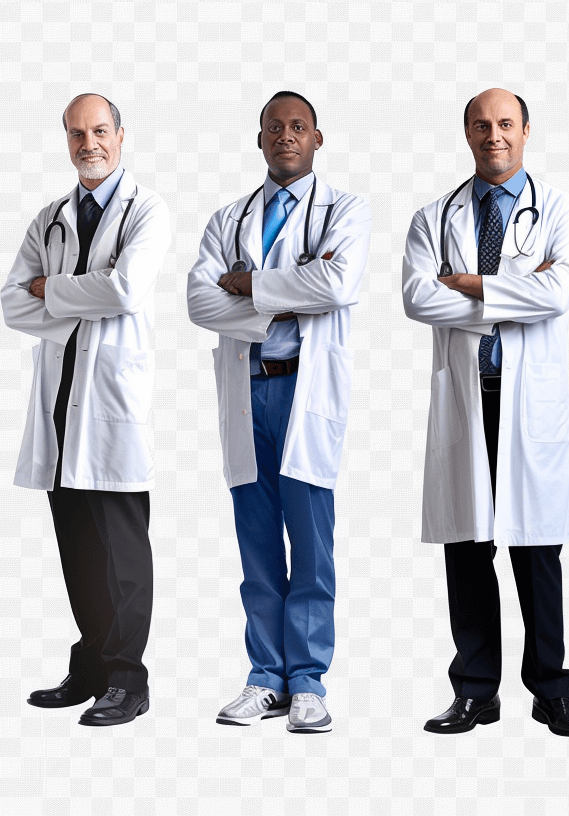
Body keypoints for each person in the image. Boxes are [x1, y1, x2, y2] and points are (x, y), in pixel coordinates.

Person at [401, 88, 569, 737]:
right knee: (467, 546)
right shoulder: (434, 217)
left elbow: (558, 293)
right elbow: (417, 300)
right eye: (482, 125)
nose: (494, 135)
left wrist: (473, 283)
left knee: (538, 549)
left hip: (528, 401)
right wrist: (517, 289)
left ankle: (551, 691)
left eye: (505, 123)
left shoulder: (560, 209)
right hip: (466, 396)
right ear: (466, 132)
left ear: (527, 130)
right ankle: (475, 691)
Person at [187, 91, 371, 734]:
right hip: (248, 391)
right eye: (275, 127)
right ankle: (264, 676)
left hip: (305, 389)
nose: (286, 136)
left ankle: (309, 681)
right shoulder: (227, 219)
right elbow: (198, 303)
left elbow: (338, 284)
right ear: (258, 138)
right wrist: (287, 298)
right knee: (257, 541)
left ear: (318, 137)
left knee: (312, 541)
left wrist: (249, 284)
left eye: (298, 127)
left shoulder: (344, 210)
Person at [1, 93, 172, 726]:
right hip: (57, 406)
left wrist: (54, 290)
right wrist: (77, 295)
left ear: (121, 136)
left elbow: (127, 290)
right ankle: (93, 664)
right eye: (76, 133)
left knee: (124, 549)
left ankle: (130, 678)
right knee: (77, 547)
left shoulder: (146, 209)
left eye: (99, 131)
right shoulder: (50, 216)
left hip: (111, 406)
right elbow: (11, 304)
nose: (88, 143)